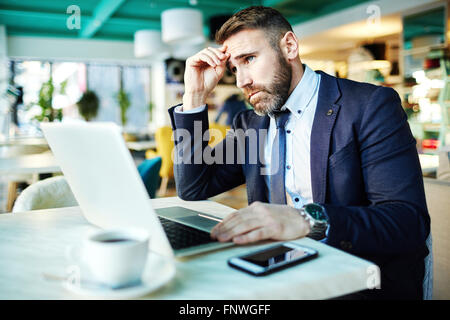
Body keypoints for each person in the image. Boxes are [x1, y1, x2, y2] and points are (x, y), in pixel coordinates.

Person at [168, 6, 430, 300]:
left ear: (289, 46)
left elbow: (407, 222)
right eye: (234, 68)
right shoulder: (252, 124)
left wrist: (308, 220)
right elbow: (194, 187)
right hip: (278, 277)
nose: (241, 80)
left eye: (249, 59)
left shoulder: (370, 105)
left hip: (359, 282)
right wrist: (193, 97)